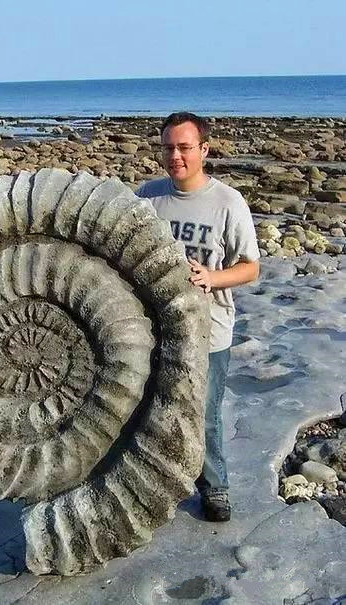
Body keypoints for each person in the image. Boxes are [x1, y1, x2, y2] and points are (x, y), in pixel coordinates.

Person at [136, 112, 259, 522]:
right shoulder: (147, 197)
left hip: (210, 331)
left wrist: (211, 277)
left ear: (203, 150)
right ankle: (156, 482)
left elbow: (251, 267)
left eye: (185, 147)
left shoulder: (228, 202)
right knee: (149, 410)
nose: (176, 156)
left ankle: (215, 488)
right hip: (153, 330)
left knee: (204, 415)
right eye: (169, 147)